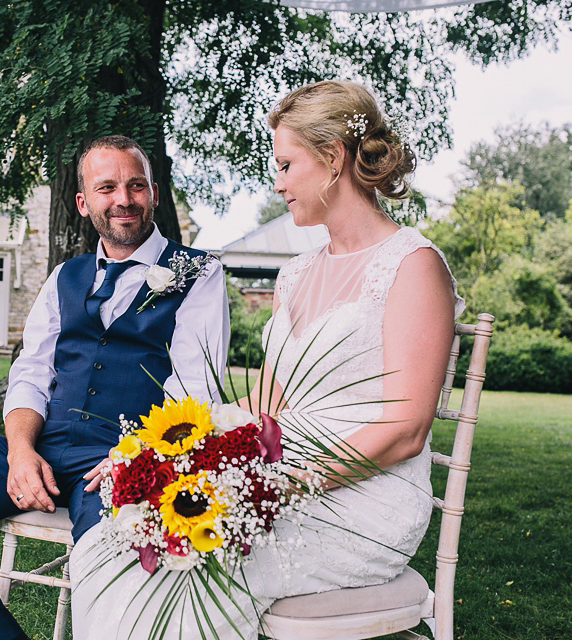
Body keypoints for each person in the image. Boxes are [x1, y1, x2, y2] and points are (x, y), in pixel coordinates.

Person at [69, 81, 465, 638]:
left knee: (187, 569)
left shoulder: (414, 267)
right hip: (277, 469)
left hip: (361, 497)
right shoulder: (297, 272)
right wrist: (156, 451)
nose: (276, 183)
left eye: (285, 164)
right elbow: (267, 401)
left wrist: (289, 485)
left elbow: (406, 429)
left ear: (332, 159)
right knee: (110, 546)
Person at [0, 135, 229, 639]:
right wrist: (19, 451)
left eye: (136, 186)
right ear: (83, 202)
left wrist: (135, 459)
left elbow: (194, 392)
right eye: (107, 187)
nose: (124, 199)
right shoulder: (64, 277)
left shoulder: (197, 273)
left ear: (154, 194)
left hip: (123, 461)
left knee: (110, 555)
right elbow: (30, 374)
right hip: (44, 447)